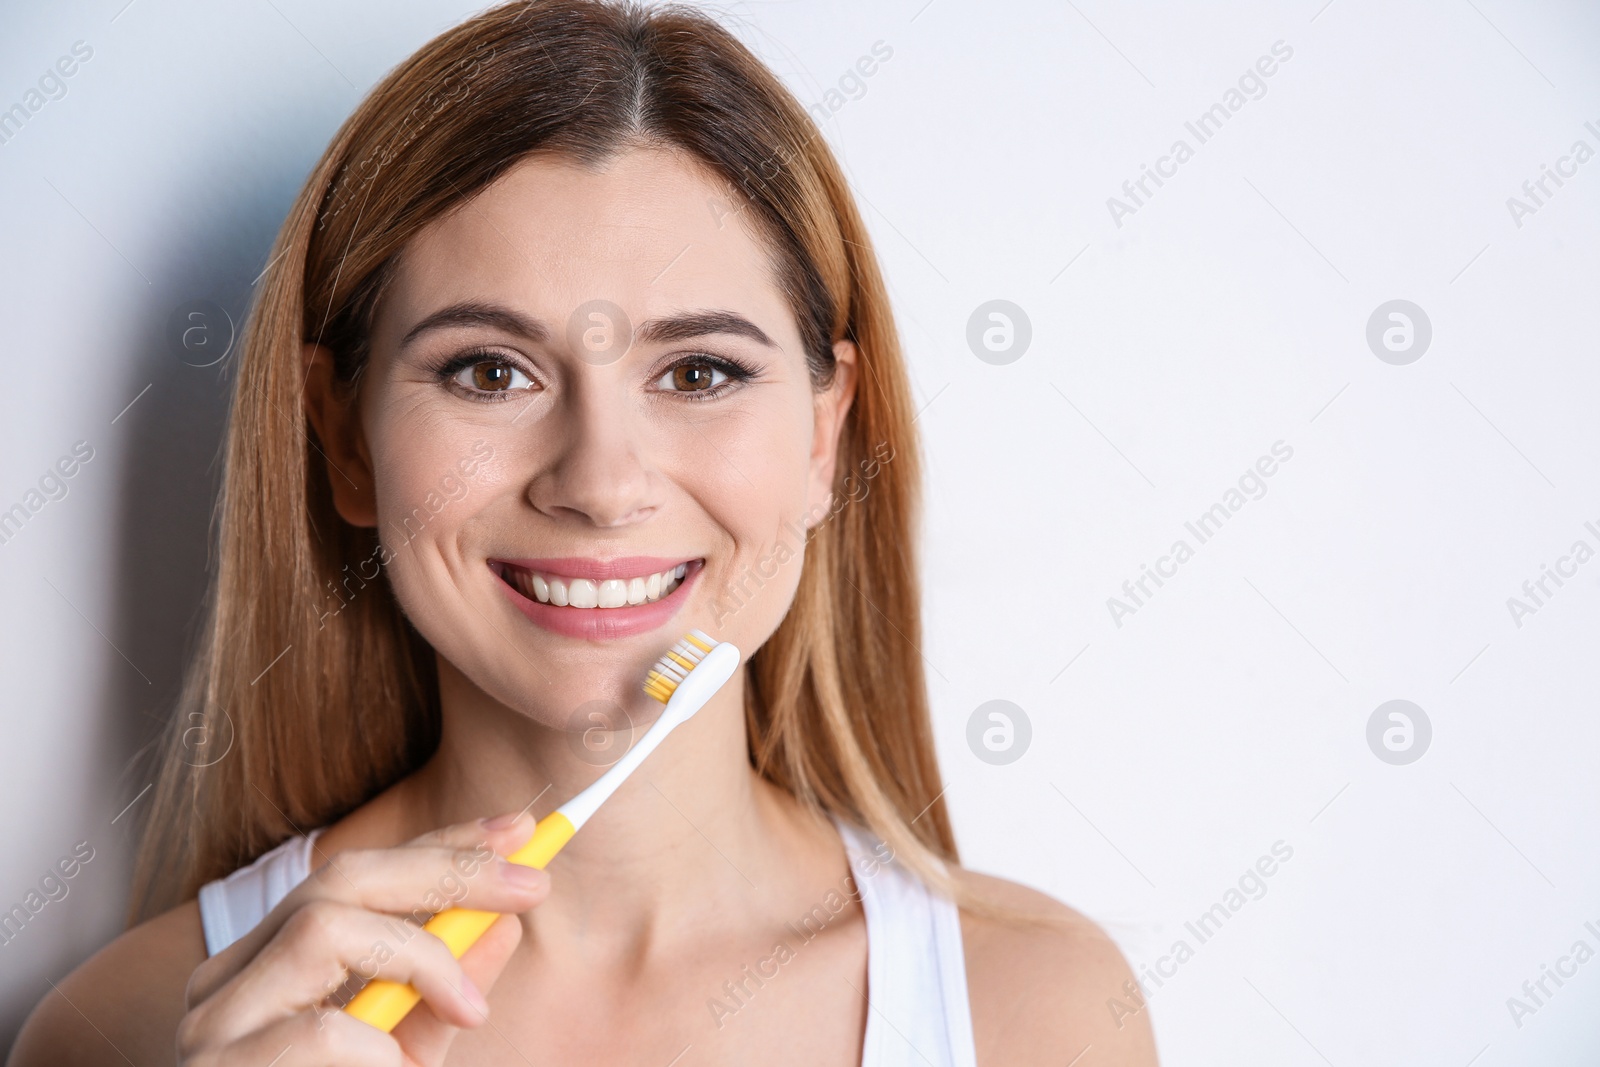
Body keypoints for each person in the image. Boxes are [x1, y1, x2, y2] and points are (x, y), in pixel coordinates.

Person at [10, 2, 1157, 1063]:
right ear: (345, 439)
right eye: (490, 370)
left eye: (698, 370)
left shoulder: (1038, 1011)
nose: (600, 483)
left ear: (824, 436)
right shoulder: (124, 1027)